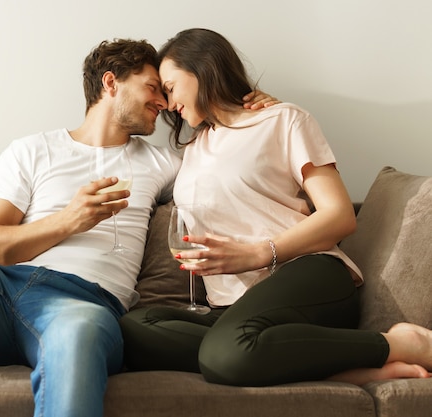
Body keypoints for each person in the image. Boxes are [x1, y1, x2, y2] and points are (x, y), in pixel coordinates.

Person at [0, 37, 276, 417]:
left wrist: (256, 114)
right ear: (111, 82)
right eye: (153, 88)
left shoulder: (163, 164)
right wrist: (67, 221)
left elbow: (232, 168)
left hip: (80, 306)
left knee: (76, 334)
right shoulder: (32, 150)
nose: (164, 104)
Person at [120, 28, 432, 388]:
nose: (169, 104)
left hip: (306, 276)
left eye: (171, 88)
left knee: (224, 354)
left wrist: (256, 254)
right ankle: (320, 364)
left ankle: (397, 344)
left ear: (202, 68)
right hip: (231, 309)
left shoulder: (283, 119)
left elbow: (340, 215)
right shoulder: (194, 148)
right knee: (133, 328)